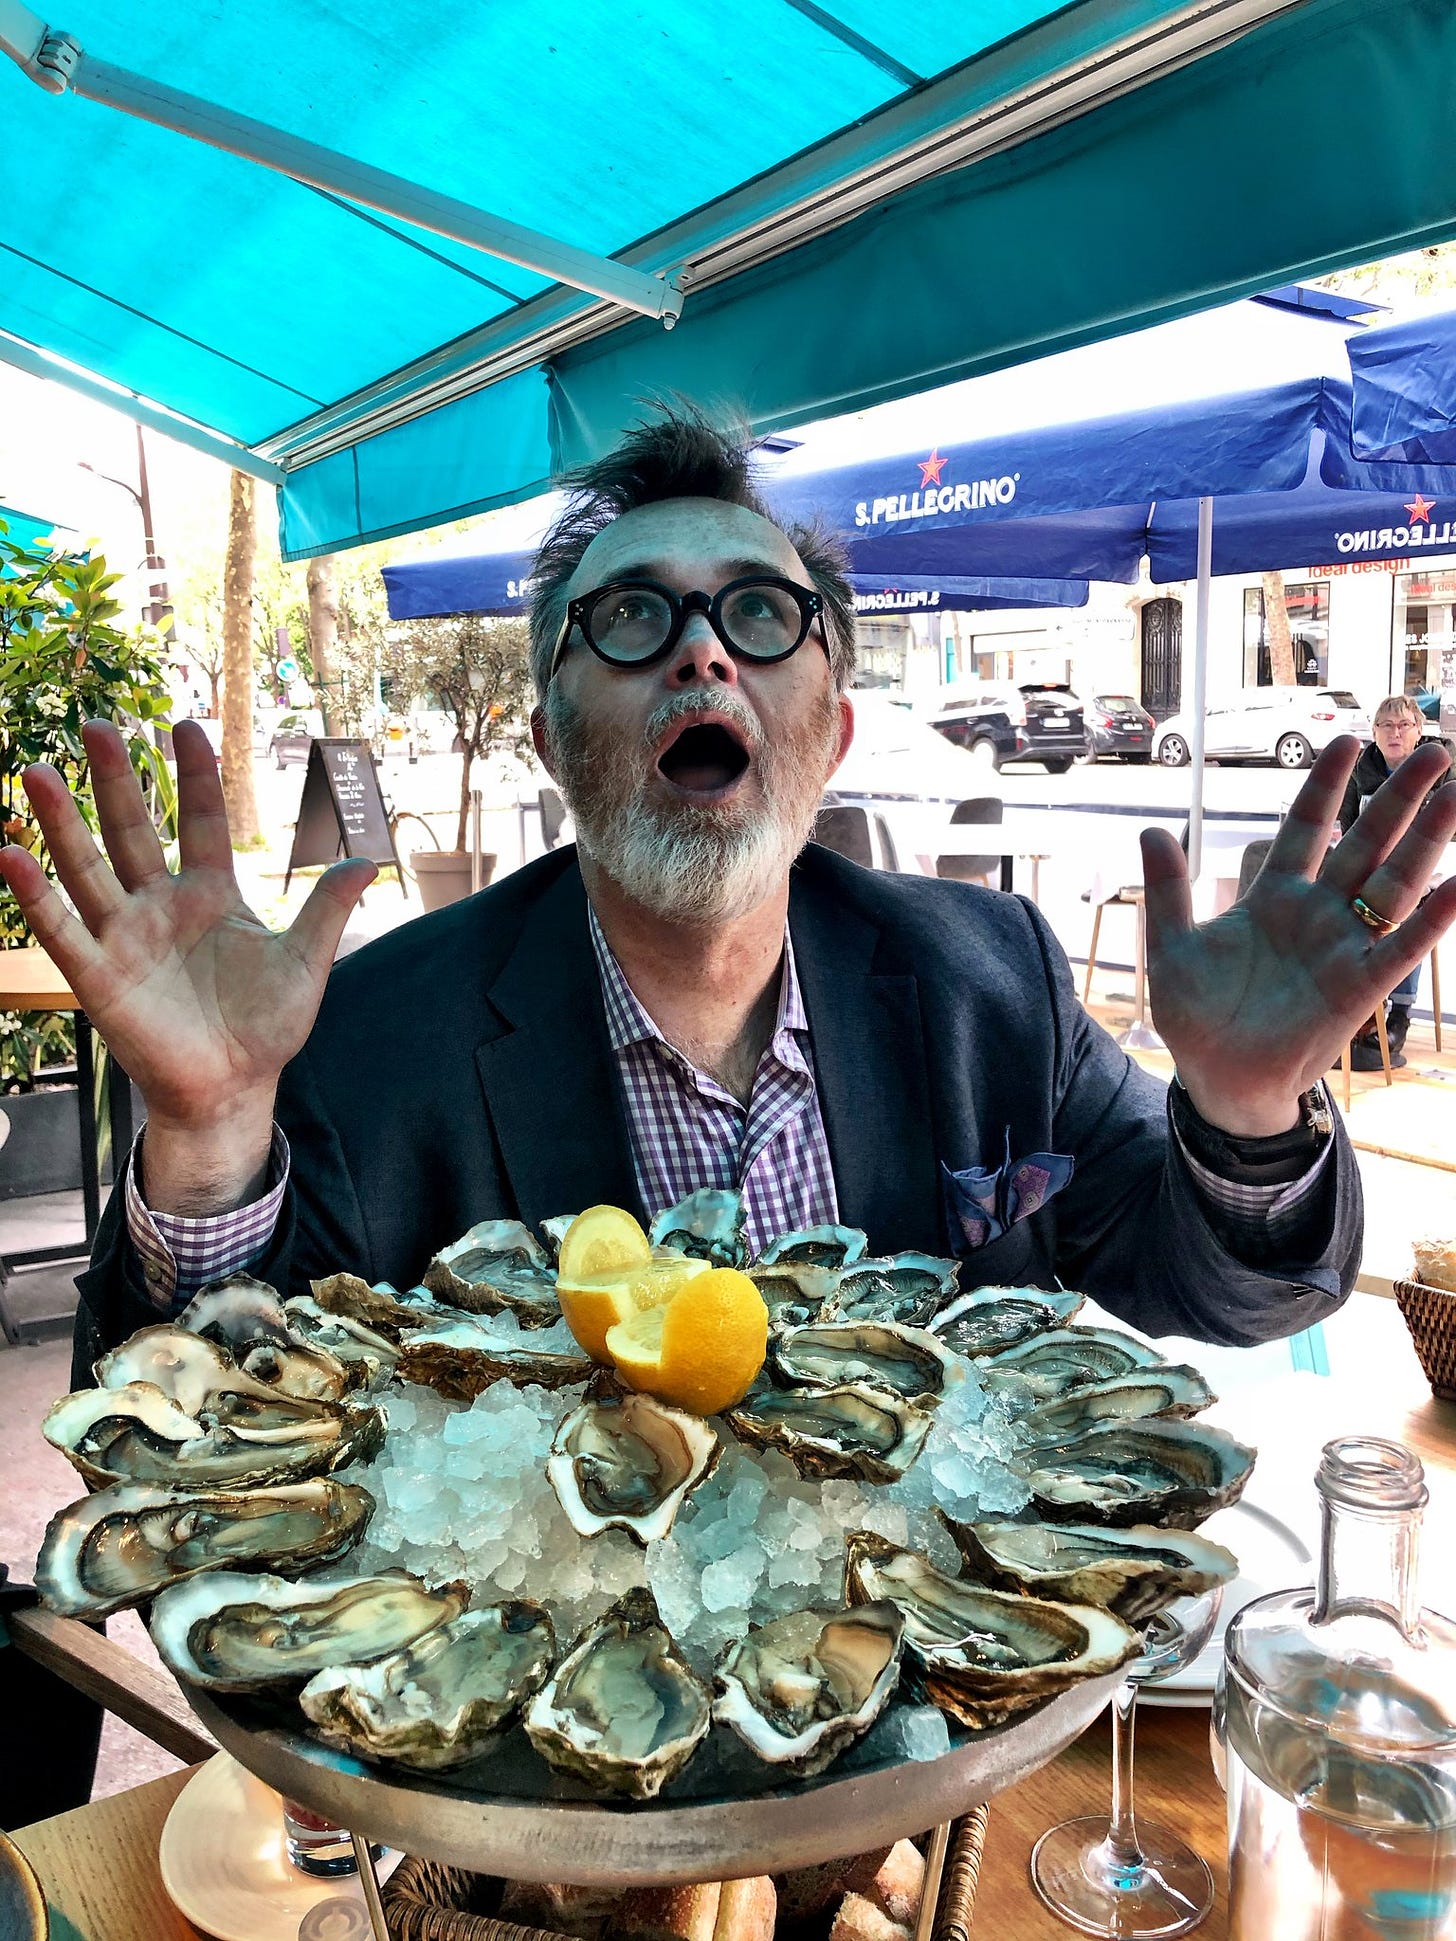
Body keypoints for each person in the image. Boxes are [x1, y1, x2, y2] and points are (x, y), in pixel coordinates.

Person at [3, 411, 1454, 1386]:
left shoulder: (989, 976)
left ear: (827, 731)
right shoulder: (371, 1040)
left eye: (760, 615)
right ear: (553, 739)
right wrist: (204, 1144)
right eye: (630, 618)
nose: (702, 655)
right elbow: (200, 1426)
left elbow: (1232, 1291)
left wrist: (1252, 1113)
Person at [1338, 693, 1454, 1069]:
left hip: (1426, 876)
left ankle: (1398, 1013)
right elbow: (1346, 826)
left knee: (1404, 915)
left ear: (1419, 731)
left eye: (1404, 725)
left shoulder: (1443, 768)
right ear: (1374, 731)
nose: (1395, 732)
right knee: (1343, 912)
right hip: (1371, 876)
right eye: (1386, 725)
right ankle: (1357, 1012)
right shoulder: (1361, 771)